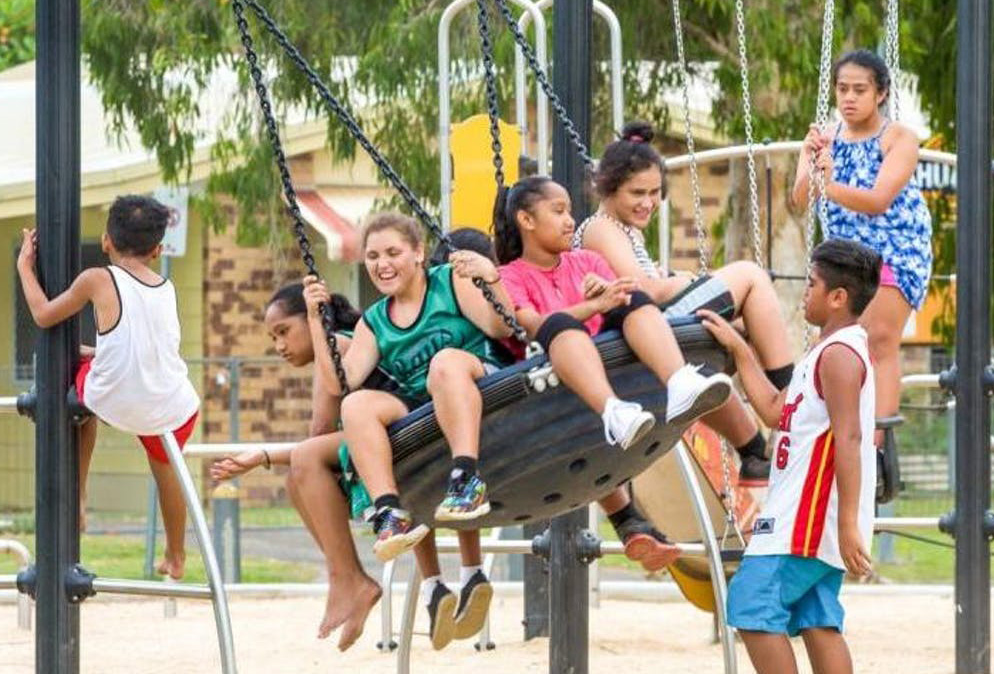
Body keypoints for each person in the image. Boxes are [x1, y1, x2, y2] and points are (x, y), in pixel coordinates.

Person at [212, 281, 486, 650]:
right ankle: (415, 584)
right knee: (310, 472)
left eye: (284, 331)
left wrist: (262, 456)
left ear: (313, 321)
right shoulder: (350, 340)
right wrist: (262, 456)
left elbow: (317, 437)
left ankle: (348, 578)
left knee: (304, 467)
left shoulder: (338, 347)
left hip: (398, 429)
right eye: (272, 337)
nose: (278, 346)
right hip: (401, 433)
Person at [494, 175, 734, 570]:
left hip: (610, 368)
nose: (570, 221)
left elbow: (617, 298)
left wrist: (605, 296)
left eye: (570, 210)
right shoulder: (511, 276)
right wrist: (591, 307)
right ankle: (613, 413)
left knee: (632, 297)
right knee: (560, 327)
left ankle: (679, 380)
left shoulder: (586, 261)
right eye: (558, 211)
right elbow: (530, 327)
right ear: (526, 220)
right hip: (551, 385)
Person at [308, 212, 510, 643]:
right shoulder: (374, 321)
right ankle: (389, 511)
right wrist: (314, 319)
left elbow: (498, 325)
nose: (383, 264)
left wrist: (489, 278)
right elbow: (338, 382)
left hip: (479, 385)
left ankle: (466, 477)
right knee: (358, 404)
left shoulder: (448, 283)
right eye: (373, 256)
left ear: (418, 253)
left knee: (444, 363)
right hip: (424, 406)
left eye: (394, 253)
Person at [573, 120, 797, 484]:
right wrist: (686, 279)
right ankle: (792, 397)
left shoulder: (623, 230)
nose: (648, 203)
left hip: (652, 329)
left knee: (737, 336)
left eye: (654, 193)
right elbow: (641, 289)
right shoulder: (601, 227)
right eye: (636, 193)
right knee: (750, 276)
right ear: (608, 189)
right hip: (639, 330)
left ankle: (754, 451)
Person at [700, 238, 880, 674]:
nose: (805, 290)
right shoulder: (826, 351)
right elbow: (775, 410)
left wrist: (849, 523)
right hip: (812, 517)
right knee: (817, 619)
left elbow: (850, 438)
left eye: (812, 283)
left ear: (838, 297)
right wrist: (741, 349)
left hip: (807, 517)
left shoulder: (839, 355)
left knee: (750, 603)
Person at [15, 195, 198, 581]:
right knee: (167, 473)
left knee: (79, 402)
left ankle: (79, 496)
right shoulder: (166, 287)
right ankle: (176, 553)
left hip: (114, 396)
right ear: (158, 249)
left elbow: (44, 314)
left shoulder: (97, 278)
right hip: (171, 403)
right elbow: (134, 347)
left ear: (105, 241)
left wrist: (25, 269)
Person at [792, 49, 932, 433]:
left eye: (860, 89)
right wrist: (809, 160)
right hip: (843, 251)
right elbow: (800, 200)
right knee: (835, 339)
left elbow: (877, 200)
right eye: (842, 89)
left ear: (881, 93)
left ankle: (878, 441)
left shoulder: (898, 138)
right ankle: (831, 432)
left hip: (894, 244)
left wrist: (829, 184)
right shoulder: (824, 138)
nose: (849, 98)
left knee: (879, 339)